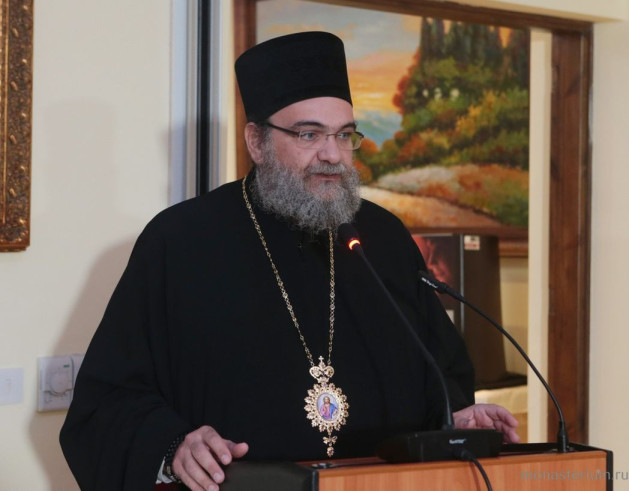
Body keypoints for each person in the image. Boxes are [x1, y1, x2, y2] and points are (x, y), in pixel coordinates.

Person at [60, 31, 519, 491]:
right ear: (257, 142)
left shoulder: (384, 239)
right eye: (308, 134)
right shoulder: (178, 242)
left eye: (344, 135)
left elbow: (439, 372)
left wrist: (455, 417)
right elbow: (107, 403)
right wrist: (174, 445)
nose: (332, 155)